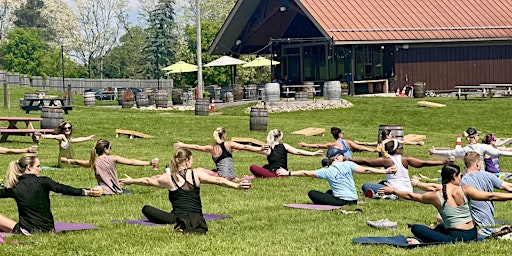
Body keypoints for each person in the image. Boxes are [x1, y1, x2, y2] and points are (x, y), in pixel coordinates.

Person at [119, 148, 251, 234]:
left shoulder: (169, 179)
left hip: (176, 218)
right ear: (187, 161)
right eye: (192, 159)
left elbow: (148, 181)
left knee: (146, 208)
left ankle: (181, 225)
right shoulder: (196, 174)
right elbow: (218, 181)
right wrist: (237, 186)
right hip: (197, 217)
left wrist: (132, 181)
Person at [378, 163, 512, 245]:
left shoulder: (435, 195)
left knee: (416, 228)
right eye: (460, 176)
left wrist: (393, 190)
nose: (461, 178)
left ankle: (426, 241)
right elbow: (492, 195)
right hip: (473, 234)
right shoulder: (465, 189)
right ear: (454, 176)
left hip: (456, 238)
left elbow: (411, 195)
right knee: (441, 226)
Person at [414, 151, 512, 238]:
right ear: (478, 164)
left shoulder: (461, 181)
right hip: (489, 222)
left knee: (440, 217)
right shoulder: (488, 175)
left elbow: (438, 187)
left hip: (473, 226)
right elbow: (508, 186)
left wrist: (418, 184)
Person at [0, 154, 101, 234]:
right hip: (48, 229)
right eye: (38, 166)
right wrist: (86, 192)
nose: (40, 169)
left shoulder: (14, 187)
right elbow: (64, 188)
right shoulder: (44, 182)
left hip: (28, 231)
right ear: (29, 167)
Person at [275, 150, 397, 206]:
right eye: (342, 154)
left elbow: (306, 173)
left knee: (312, 193)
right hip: (353, 199)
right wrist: (384, 171)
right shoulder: (348, 165)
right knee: (329, 192)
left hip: (343, 202)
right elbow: (366, 170)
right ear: (337, 156)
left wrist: (289, 173)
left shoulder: (326, 171)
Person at [351, 140, 447, 197]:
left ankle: (385, 196)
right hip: (408, 189)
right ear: (397, 149)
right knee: (382, 182)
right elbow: (424, 163)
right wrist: (442, 162)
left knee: (366, 185)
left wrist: (348, 159)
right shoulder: (406, 159)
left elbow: (365, 161)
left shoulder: (386, 160)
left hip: (396, 191)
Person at [64, 139, 157, 195]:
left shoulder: (94, 161)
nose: (110, 150)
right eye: (110, 148)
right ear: (105, 149)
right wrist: (148, 163)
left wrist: (66, 160)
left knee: (90, 190)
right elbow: (131, 162)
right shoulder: (113, 158)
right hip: (117, 190)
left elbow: (78, 162)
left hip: (103, 191)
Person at [173, 127, 265, 180]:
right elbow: (245, 147)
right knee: (213, 170)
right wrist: (260, 148)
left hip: (222, 177)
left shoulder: (213, 148)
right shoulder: (229, 144)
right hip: (232, 176)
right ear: (224, 135)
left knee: (199, 170)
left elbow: (197, 147)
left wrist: (183, 145)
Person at [429, 127, 512, 172]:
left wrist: (435, 152)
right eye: (478, 135)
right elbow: (499, 153)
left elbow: (449, 153)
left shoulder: (463, 150)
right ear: (475, 137)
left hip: (468, 177)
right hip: (481, 175)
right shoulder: (482, 147)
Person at [249, 129, 323, 178]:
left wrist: (246, 147)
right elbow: (298, 151)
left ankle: (259, 176)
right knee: (266, 166)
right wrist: (313, 153)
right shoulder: (285, 146)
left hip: (276, 174)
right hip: (285, 172)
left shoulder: (268, 149)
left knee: (253, 167)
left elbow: (253, 149)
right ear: (280, 137)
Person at [298, 127, 378, 166]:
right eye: (342, 133)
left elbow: (318, 145)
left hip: (339, 163)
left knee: (324, 161)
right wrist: (372, 150)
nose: (343, 134)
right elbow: (360, 147)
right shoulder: (347, 142)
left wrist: (306, 145)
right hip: (349, 161)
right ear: (340, 134)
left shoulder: (333, 144)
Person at [355, 129, 424, 157]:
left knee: (372, 149)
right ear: (387, 136)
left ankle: (358, 147)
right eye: (390, 134)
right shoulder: (394, 141)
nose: (392, 135)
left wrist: (359, 143)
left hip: (385, 156)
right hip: (390, 157)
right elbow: (405, 142)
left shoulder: (381, 142)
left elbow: (368, 144)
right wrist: (417, 143)